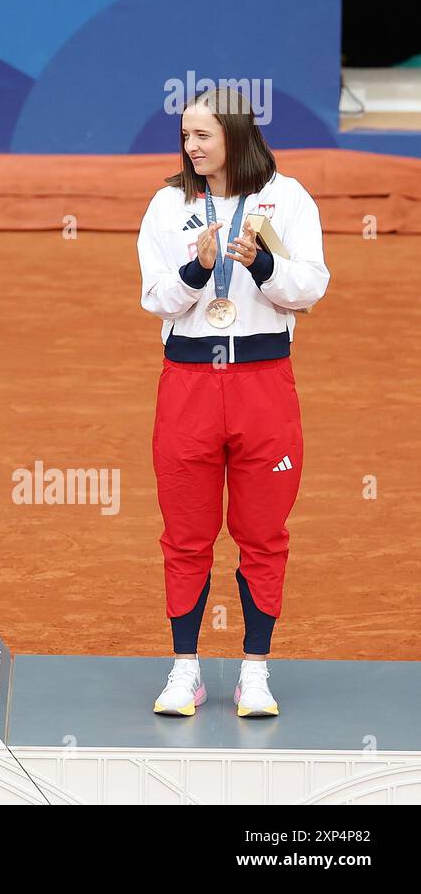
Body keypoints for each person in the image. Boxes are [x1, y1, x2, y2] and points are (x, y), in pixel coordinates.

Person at [137, 87, 329, 717]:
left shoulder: (288, 197)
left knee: (263, 533)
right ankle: (185, 671)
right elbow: (156, 298)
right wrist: (198, 271)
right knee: (186, 535)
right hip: (189, 385)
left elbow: (310, 287)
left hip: (263, 383)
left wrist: (265, 265)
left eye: (203, 137)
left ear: (237, 136)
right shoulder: (169, 205)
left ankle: (255, 672)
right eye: (186, 136)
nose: (191, 148)